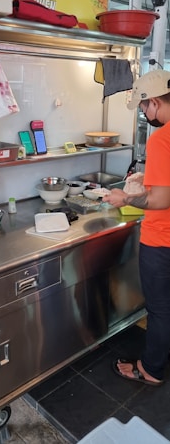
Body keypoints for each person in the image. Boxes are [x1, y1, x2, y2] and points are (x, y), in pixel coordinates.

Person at [103, 69, 170, 386]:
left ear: (155, 102)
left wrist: (125, 197)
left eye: (144, 108)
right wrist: (150, 181)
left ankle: (151, 370)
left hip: (162, 241)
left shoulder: (162, 139)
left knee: (159, 310)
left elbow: (159, 201)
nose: (144, 115)